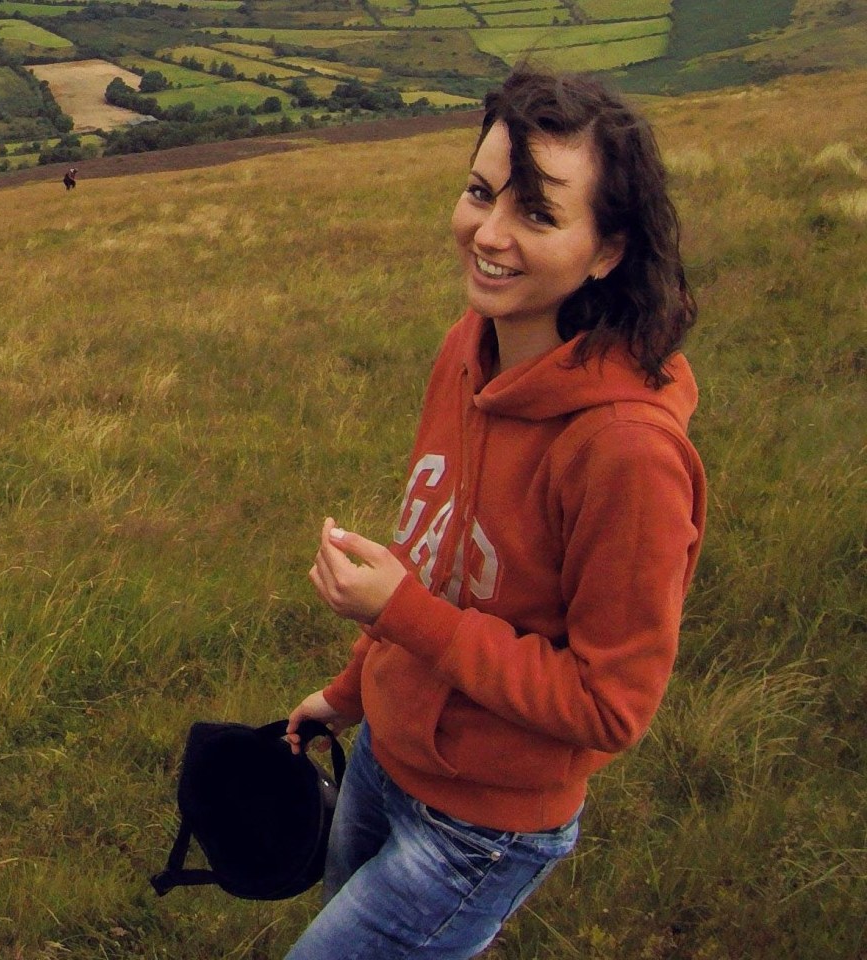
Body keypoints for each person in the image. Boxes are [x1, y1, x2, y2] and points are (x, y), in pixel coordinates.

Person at [285, 66, 707, 960]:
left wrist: (401, 613)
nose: (489, 232)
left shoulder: (628, 453)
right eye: (481, 193)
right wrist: (351, 692)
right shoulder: (467, 348)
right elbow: (432, 565)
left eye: (539, 214)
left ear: (607, 249)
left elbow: (610, 706)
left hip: (484, 831)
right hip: (382, 764)